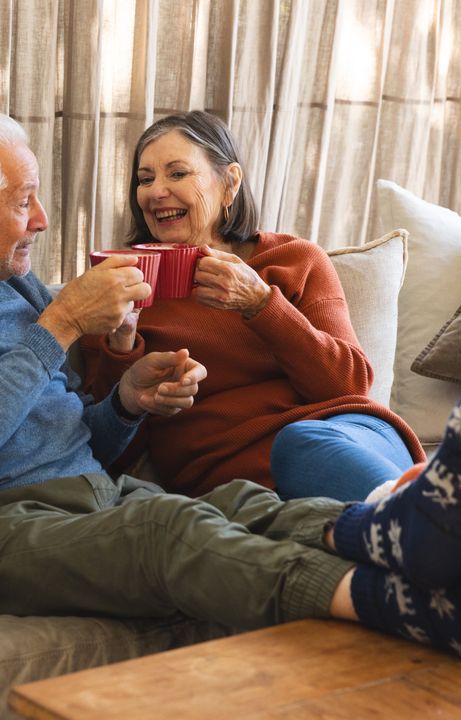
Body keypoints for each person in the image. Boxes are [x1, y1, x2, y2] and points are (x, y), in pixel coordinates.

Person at [0, 104, 461, 670]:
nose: (43, 219)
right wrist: (58, 326)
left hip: (91, 494)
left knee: (240, 508)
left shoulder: (12, 288)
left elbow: (78, 436)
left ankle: (455, 556)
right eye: (24, 202)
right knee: (175, 532)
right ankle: (430, 603)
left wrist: (126, 403)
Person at [80, 110, 423, 502]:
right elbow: (106, 454)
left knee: (300, 442)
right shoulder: (116, 286)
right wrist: (121, 343)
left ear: (229, 183)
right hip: (243, 487)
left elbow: (350, 385)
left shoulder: (295, 259)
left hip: (349, 436)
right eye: (145, 179)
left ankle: (426, 518)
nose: (156, 191)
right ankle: (449, 525)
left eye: (177, 174)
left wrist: (261, 304)